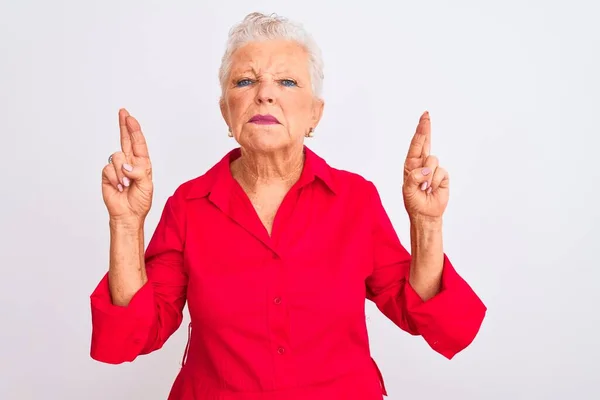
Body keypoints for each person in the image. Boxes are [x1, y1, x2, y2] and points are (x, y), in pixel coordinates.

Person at [90, 11, 486, 400]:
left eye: (287, 81)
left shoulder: (355, 200)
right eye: (245, 81)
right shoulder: (189, 205)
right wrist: (126, 223)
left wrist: (426, 222)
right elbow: (132, 337)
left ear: (315, 113)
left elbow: (429, 317)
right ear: (225, 111)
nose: (265, 93)